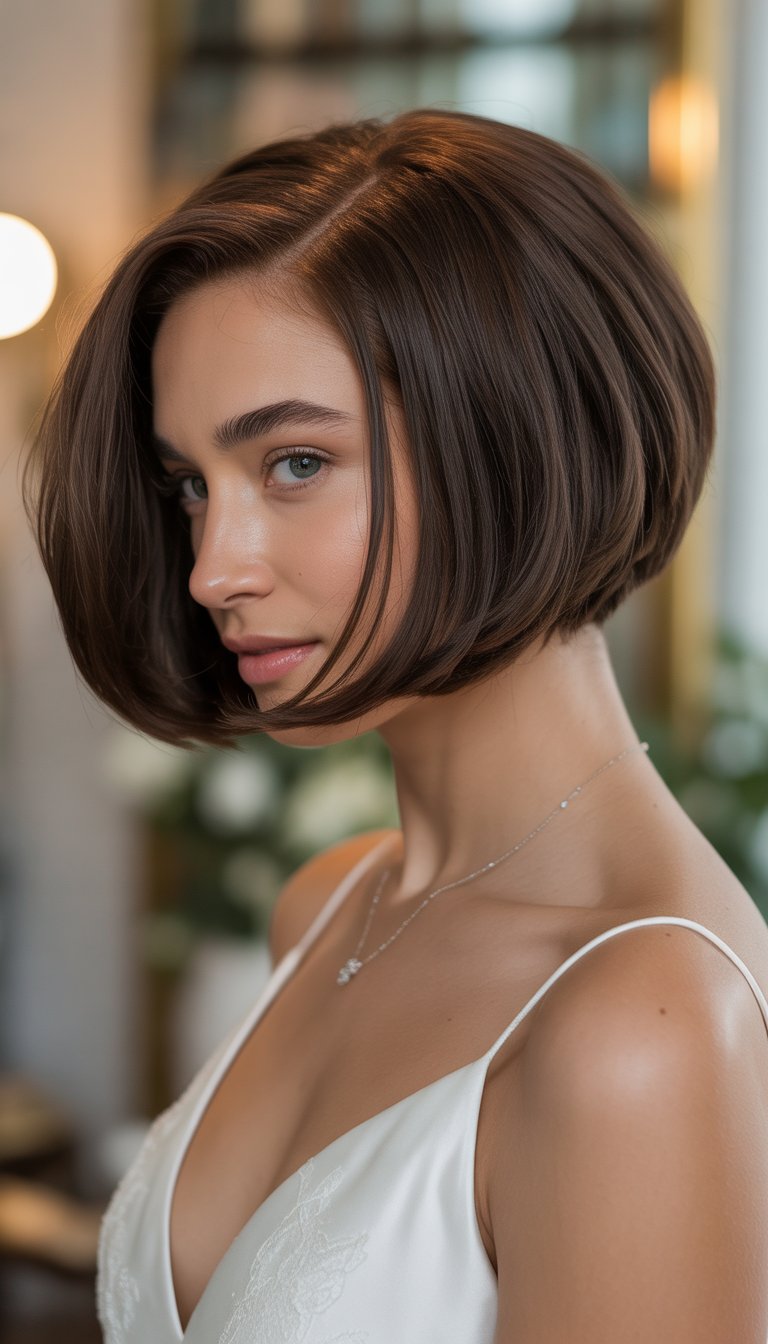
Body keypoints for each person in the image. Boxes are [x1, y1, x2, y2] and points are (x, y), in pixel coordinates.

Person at [24, 108, 768, 1342]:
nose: (214, 567)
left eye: (296, 464)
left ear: (522, 441)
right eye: (191, 486)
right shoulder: (325, 908)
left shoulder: (644, 1026)